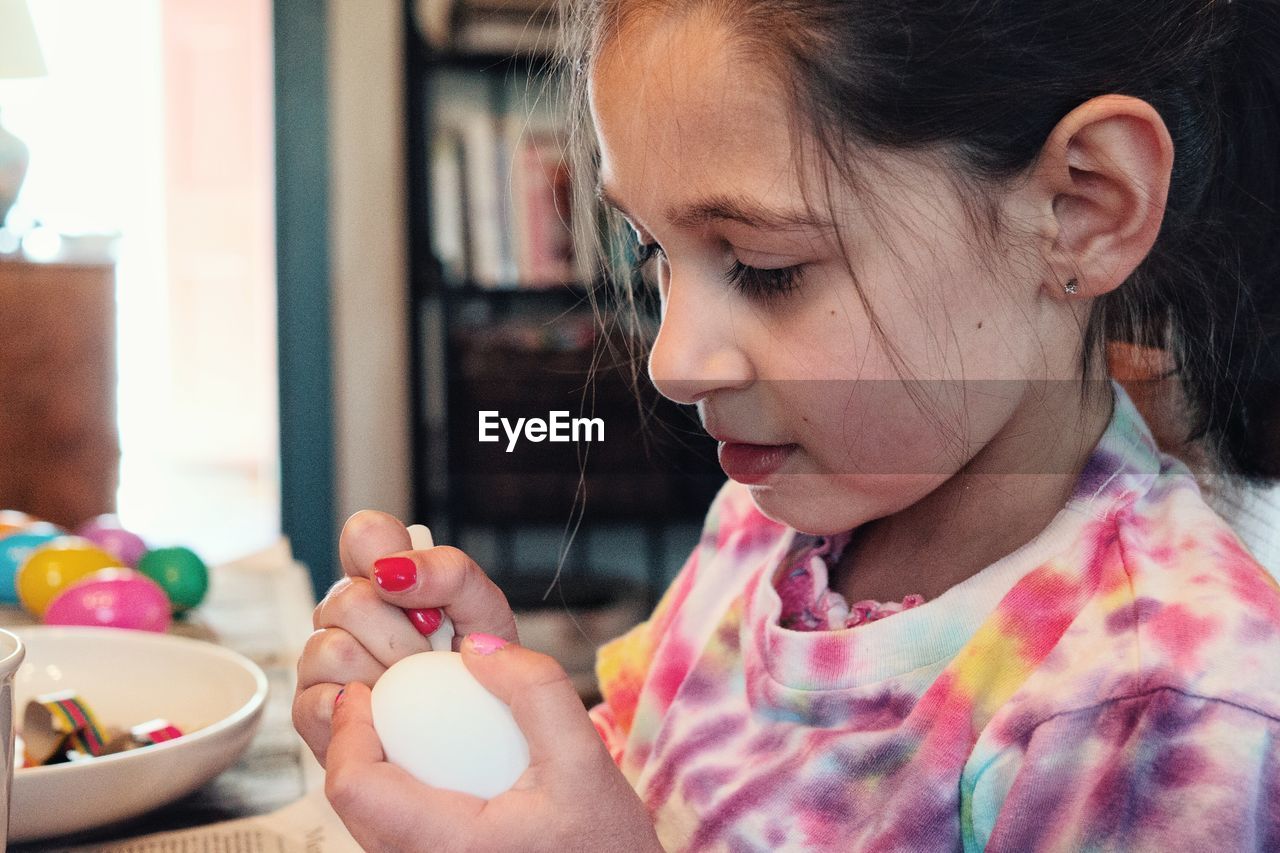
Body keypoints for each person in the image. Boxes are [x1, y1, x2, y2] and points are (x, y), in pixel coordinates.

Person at [293, 0, 1280, 848]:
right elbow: (646, 789)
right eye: (652, 249)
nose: (670, 361)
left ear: (1080, 207)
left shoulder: (1169, 713)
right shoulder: (767, 524)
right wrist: (490, 726)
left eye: (764, 266)